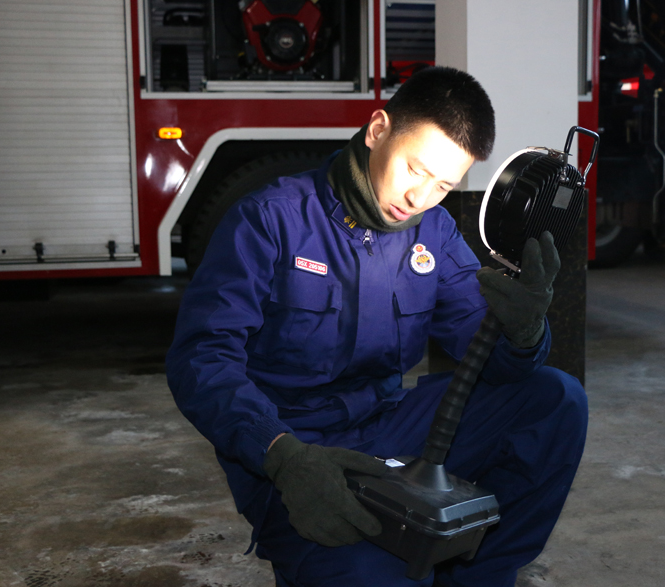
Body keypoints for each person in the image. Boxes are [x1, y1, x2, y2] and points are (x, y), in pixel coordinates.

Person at [166, 66, 588, 587]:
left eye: (444, 185)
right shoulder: (270, 220)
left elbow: (489, 356)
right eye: (415, 168)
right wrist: (279, 453)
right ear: (377, 129)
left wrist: (525, 333)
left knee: (555, 399)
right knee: (379, 571)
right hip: (294, 449)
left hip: (390, 430)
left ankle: (478, 575)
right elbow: (201, 359)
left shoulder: (433, 231)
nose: (420, 197)